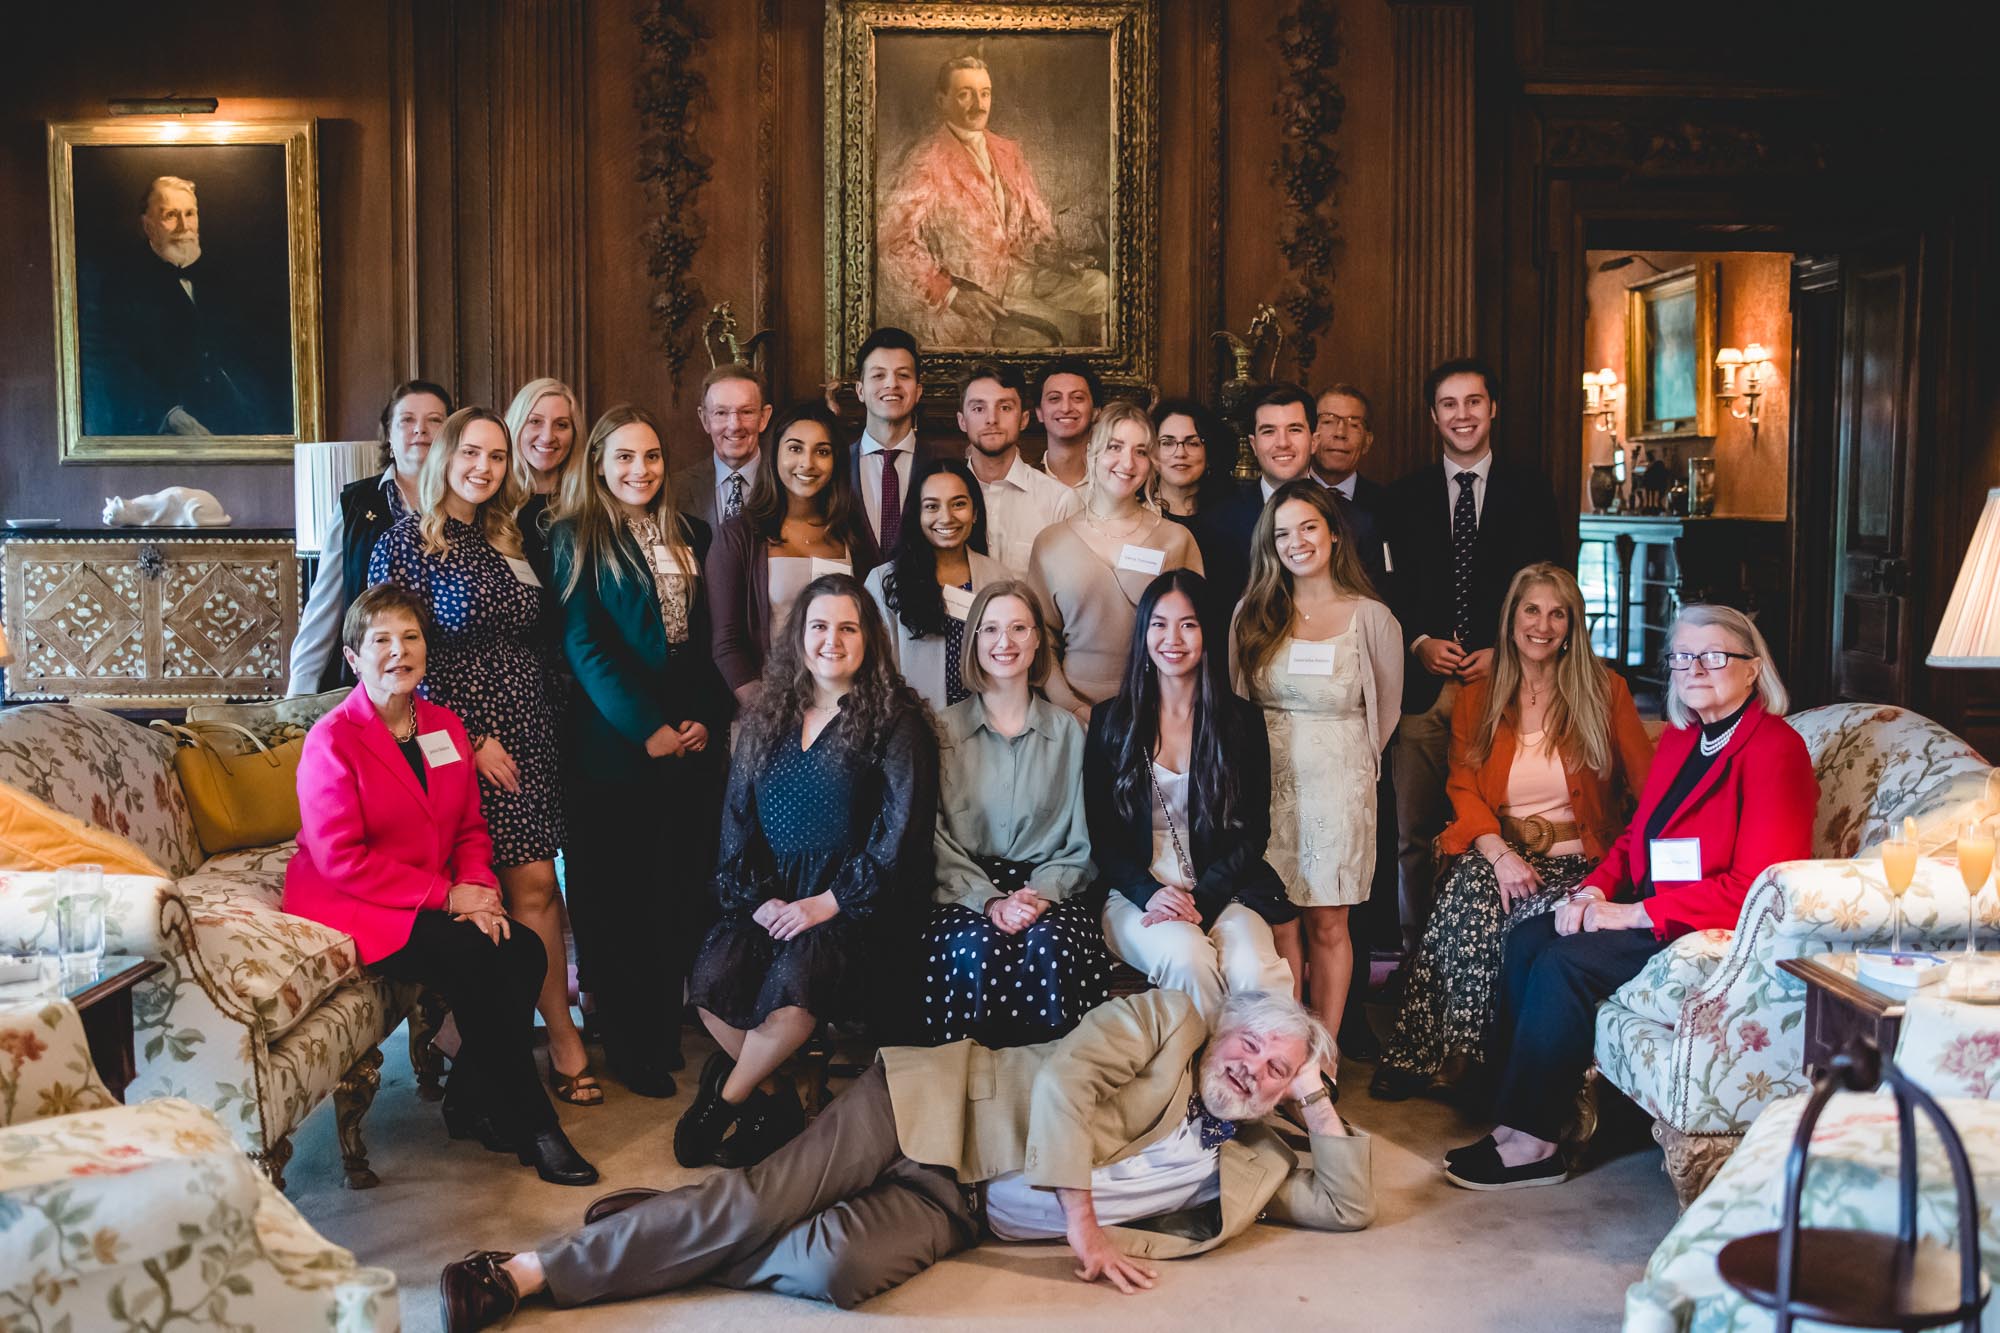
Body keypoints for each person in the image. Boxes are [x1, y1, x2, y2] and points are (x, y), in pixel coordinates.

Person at [437, 989, 1371, 1329]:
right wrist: (1084, 1226)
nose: (1253, 1069)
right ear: (1226, 1034)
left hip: (961, 1211)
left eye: (1277, 1070)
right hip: (927, 1108)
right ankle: (524, 1273)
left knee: (831, 1267)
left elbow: (1347, 1208)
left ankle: (661, 1219)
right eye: (1251, 1049)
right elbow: (1063, 1088)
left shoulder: (1249, 1164)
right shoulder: (1168, 1022)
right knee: (758, 1207)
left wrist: (1318, 1095)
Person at [1445, 604, 1815, 1190]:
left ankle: (1536, 1147)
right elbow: (1635, 839)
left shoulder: (1775, 750)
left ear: (1752, 669)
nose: (1696, 668)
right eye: (1683, 657)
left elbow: (1757, 888)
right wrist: (1594, 889)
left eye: (1715, 656)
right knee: (1528, 938)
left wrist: (1628, 913)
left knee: (1566, 963)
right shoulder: (1681, 740)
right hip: (1650, 909)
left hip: (1706, 929)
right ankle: (1520, 1123)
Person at [284, 584, 595, 1186]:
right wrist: (449, 898)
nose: (399, 652)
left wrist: (479, 886)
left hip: (433, 888)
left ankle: (468, 1099)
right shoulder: (332, 741)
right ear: (353, 659)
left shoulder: (447, 728)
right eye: (381, 641)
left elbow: (471, 830)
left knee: (524, 950)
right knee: (482, 958)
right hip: (357, 901)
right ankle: (534, 1124)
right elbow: (341, 859)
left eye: (411, 637)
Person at [369, 407, 591, 1106]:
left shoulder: (507, 533)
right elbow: (396, 658)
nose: (484, 467)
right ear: (443, 453)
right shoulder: (407, 542)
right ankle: (506, 1042)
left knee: (537, 889)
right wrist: (472, 737)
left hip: (529, 729)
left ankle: (545, 1032)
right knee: (489, 889)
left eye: (497, 457)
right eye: (472, 452)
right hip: (454, 739)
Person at [679, 574, 939, 1170]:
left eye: (848, 627)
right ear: (798, 637)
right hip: (774, 899)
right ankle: (778, 1103)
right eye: (819, 626)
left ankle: (726, 1097)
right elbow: (736, 824)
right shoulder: (767, 719)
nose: (832, 640)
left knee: (799, 979)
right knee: (711, 975)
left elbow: (900, 838)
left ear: (869, 639)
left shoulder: (897, 723)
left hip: (855, 906)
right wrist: (758, 902)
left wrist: (827, 903)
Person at [1372, 564, 1652, 1101]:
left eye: (1557, 613)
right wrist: (1499, 852)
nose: (1542, 625)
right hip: (1505, 851)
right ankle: (1443, 1055)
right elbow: (1462, 784)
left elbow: (1648, 789)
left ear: (1573, 624)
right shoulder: (1479, 694)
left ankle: (1461, 1059)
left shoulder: (1604, 689)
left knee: (1492, 914)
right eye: (1531, 610)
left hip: (1581, 861)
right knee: (1469, 890)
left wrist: (1635, 865)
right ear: (1512, 617)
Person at [551, 405, 731, 1099]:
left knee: (673, 897)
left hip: (686, 747)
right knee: (614, 905)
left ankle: (660, 1033)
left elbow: (708, 641)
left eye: (652, 456)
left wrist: (702, 721)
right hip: (613, 751)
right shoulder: (574, 536)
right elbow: (585, 645)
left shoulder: (692, 532)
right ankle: (627, 1046)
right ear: (598, 463)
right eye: (624, 457)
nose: (640, 469)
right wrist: (648, 726)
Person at [1383, 358, 1562, 958]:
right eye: (1449, 405)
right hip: (1420, 689)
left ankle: (1482, 953)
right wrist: (1419, 643)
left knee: (1493, 825)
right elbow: (1385, 593)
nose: (1463, 415)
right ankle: (1417, 958)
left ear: (1493, 410)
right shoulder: (1403, 496)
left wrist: (1506, 651)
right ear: (1434, 415)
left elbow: (1551, 588)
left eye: (1474, 402)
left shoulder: (1531, 490)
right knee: (1412, 832)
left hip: (1506, 689)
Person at [1230, 481, 1403, 1091]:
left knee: (1329, 923)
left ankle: (1321, 1062)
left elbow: (1385, 715)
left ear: (1333, 533)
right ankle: (1282, 1047)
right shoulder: (1253, 612)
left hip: (1339, 785)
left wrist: (1344, 765)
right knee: (1279, 924)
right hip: (1266, 782)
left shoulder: (1372, 616)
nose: (1296, 542)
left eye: (1308, 528)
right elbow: (1235, 702)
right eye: (1282, 533)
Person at [1091, 570, 1295, 1020]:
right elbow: (1103, 838)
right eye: (1159, 624)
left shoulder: (1240, 722)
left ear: (1207, 632)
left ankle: (1261, 1080)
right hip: (1136, 895)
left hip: (1222, 889)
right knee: (1189, 959)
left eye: (1189, 624)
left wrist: (1201, 900)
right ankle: (1207, 1081)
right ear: (1144, 632)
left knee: (1253, 971)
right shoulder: (1112, 721)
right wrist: (1149, 893)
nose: (1172, 638)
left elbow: (1254, 832)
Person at [922, 580, 1107, 1047]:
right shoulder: (941, 732)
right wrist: (988, 900)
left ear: (1038, 640)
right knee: (975, 948)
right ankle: (970, 1093)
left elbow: (1083, 839)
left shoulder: (1069, 733)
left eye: (1019, 628)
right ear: (974, 642)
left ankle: (1046, 1095)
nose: (1004, 643)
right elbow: (933, 836)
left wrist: (1039, 896)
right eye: (990, 630)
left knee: (1051, 947)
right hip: (963, 890)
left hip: (1051, 889)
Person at [876, 57, 1108, 350]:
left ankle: (1097, 364)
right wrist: (950, 295)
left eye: (984, 93)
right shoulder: (926, 160)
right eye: (965, 94)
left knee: (1099, 287)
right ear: (941, 99)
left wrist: (1056, 256)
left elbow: (1030, 224)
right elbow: (894, 242)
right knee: (1043, 333)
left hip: (1020, 275)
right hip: (974, 290)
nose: (978, 103)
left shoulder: (1007, 151)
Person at [79, 174, 289, 437]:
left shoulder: (229, 279)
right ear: (148, 226)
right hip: (171, 428)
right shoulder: (121, 285)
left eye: (190, 214)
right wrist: (168, 414)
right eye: (170, 215)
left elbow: (257, 357)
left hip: (240, 426)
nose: (183, 226)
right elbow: (113, 367)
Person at [1028, 402, 1204, 707]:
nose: (1127, 462)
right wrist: (1071, 710)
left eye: (1140, 451)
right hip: (1072, 714)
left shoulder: (1176, 539)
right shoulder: (1050, 543)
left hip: (1156, 708)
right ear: (1091, 453)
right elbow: (1040, 639)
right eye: (1115, 446)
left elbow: (1198, 632)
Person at [288, 380, 453, 695]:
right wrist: (298, 698)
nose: (421, 430)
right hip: (371, 680)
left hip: (446, 685)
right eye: (407, 420)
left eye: (435, 420)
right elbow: (325, 606)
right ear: (389, 435)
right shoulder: (355, 503)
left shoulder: (467, 503)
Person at [709, 401, 869, 703]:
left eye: (822, 451)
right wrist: (767, 714)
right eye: (795, 449)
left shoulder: (852, 535)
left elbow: (871, 628)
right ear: (775, 454)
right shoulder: (739, 536)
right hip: (768, 709)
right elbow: (727, 644)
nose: (807, 463)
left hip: (843, 711)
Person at [864, 458, 1006, 712]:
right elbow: (875, 672)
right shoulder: (884, 581)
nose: (946, 517)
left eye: (959, 504)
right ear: (916, 514)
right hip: (913, 727)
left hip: (986, 728)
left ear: (975, 513)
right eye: (932, 506)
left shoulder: (999, 578)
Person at [1201, 382, 1320, 613]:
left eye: (1294, 429)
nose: (1283, 442)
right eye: (1268, 431)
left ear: (1314, 441)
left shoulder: (1354, 522)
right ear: (1253, 445)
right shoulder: (1218, 524)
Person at [957, 359, 1081, 575]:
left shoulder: (1060, 502)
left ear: (1024, 419)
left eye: (1005, 407)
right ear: (962, 421)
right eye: (978, 408)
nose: (991, 419)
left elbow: (1071, 588)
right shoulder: (941, 499)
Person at [851, 328, 941, 567]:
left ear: (918, 391)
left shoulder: (940, 466)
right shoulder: (834, 465)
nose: (891, 384)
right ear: (860, 390)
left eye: (903, 375)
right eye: (878, 375)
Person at [672, 362, 771, 529]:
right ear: (705, 419)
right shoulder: (674, 491)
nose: (734, 426)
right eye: (721, 413)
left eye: (746, 412)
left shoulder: (787, 486)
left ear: (763, 418)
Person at [504, 377, 582, 584]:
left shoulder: (588, 504)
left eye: (561, 425)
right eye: (535, 422)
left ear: (575, 434)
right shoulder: (494, 503)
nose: (547, 437)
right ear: (517, 425)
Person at [1310, 384, 1389, 582]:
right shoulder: (1288, 499)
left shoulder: (1390, 505)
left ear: (1368, 441)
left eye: (1354, 424)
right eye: (1327, 421)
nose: (1340, 433)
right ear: (1310, 435)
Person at [1035, 356, 1101, 490]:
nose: (1066, 408)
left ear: (1096, 412)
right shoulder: (1023, 481)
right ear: (1039, 413)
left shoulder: (1114, 481)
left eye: (1077, 398)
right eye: (1054, 398)